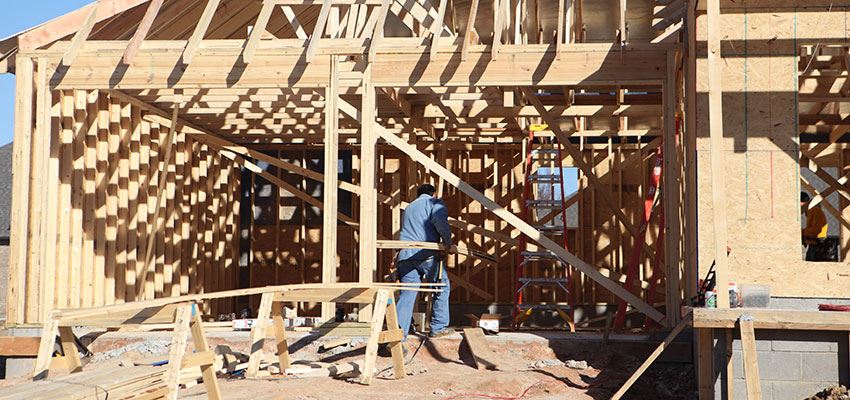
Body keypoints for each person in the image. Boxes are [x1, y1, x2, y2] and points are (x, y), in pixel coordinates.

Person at [394, 184, 454, 342]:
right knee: (442, 287)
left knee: (407, 293)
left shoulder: (409, 208)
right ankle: (438, 327)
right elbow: (441, 223)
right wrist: (447, 244)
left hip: (405, 255)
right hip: (426, 254)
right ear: (433, 194)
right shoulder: (434, 203)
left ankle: (398, 335)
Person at [801, 192, 828, 261]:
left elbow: (815, 231)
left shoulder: (815, 211)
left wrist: (801, 232)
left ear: (802, 203)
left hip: (817, 245)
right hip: (814, 244)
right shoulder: (811, 211)